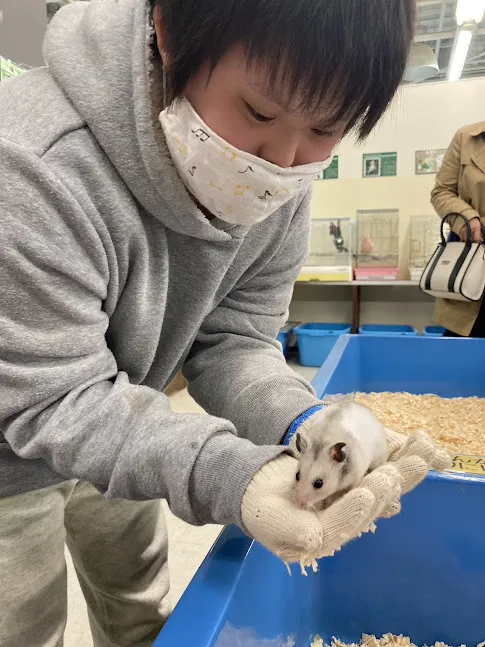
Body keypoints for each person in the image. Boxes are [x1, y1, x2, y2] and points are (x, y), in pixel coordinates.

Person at [0, 1, 449, 645]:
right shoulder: (29, 163)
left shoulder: (282, 178)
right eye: (260, 112)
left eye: (327, 128)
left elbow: (236, 340)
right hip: (8, 448)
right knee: (22, 623)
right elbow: (55, 398)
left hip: (127, 410)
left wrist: (302, 427)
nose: (281, 158)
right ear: (169, 33)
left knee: (140, 596)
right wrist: (231, 473)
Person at [431, 122, 485, 337]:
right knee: (460, 352)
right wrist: (467, 220)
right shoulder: (468, 137)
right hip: (472, 261)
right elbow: (442, 192)